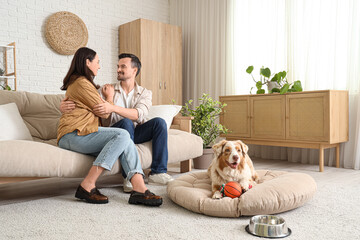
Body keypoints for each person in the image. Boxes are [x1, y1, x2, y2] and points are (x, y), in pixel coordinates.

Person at [57, 47, 162, 206]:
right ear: (87, 62)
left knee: (125, 138)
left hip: (82, 133)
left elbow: (103, 109)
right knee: (122, 134)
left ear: (134, 71)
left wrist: (107, 103)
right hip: (73, 134)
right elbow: (105, 113)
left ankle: (139, 189)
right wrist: (110, 98)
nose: (99, 66)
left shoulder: (84, 84)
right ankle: (88, 184)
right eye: (97, 62)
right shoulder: (81, 83)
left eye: (122, 67)